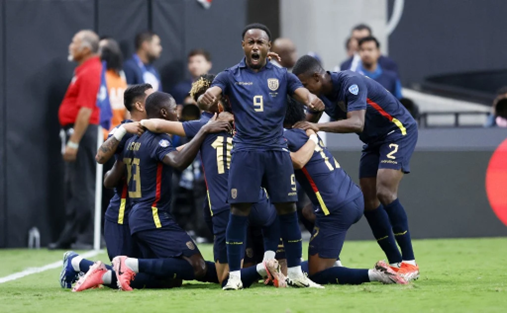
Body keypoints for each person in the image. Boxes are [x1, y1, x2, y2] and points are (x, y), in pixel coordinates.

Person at [197, 23, 326, 290]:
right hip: (245, 152)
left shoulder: (282, 76)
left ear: (269, 47)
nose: (255, 46)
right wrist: (206, 98)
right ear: (243, 45)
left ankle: (296, 274)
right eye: (250, 42)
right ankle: (234, 276)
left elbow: (305, 96)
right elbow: (206, 100)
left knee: (287, 211)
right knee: (239, 211)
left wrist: (311, 100)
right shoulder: (229, 75)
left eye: (260, 42)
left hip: (277, 152)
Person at [139, 74, 285, 287]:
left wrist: (132, 126)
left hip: (224, 207)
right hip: (254, 198)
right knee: (273, 217)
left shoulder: (202, 126)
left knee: (225, 277)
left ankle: (262, 267)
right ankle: (269, 257)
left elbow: (158, 126)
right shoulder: (247, 121)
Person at [292, 55, 419, 281]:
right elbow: (304, 124)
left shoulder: (350, 82)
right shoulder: (321, 96)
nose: (304, 91)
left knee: (385, 192)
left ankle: (410, 262)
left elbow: (356, 123)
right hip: (372, 142)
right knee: (369, 201)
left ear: (317, 77)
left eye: (304, 85)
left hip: (397, 131)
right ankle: (395, 262)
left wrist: (317, 125)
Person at [283, 99, 407, 285]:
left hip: (335, 208)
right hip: (353, 196)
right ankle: (335, 261)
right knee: (308, 212)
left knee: (317, 273)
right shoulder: (302, 133)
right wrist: (313, 135)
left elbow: (298, 161)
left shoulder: (286, 136)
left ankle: (376, 274)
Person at [49, 30, 102, 250]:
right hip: (75, 131)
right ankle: (71, 234)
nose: (70, 46)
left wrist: (74, 141)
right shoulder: (83, 69)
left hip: (84, 132)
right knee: (72, 186)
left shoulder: (91, 70)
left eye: (75, 42)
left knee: (83, 185)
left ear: (86, 49)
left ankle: (87, 237)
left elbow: (86, 109)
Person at [98, 38, 129, 139]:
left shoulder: (120, 75)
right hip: (105, 134)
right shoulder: (119, 75)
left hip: (115, 133)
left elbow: (127, 108)